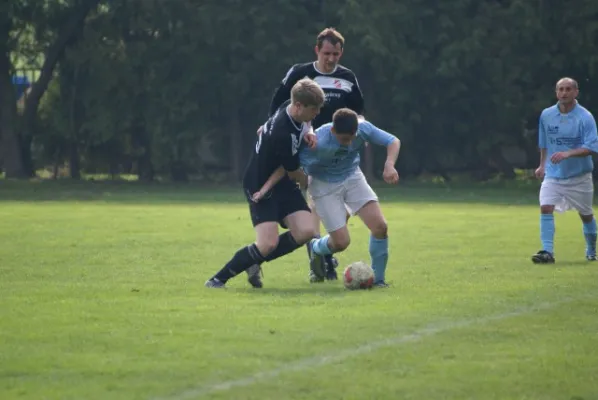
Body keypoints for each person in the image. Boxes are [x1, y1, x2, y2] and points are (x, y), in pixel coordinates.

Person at [247, 27, 365, 287]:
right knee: (314, 212)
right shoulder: (300, 73)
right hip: (306, 152)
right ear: (317, 50)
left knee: (340, 211)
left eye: (336, 53)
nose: (331, 58)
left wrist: (359, 136)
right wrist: (268, 127)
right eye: (326, 53)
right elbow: (279, 103)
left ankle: (320, 252)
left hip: (337, 156)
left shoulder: (347, 78)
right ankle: (319, 260)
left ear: (341, 52)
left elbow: (358, 115)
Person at [253, 108, 400, 287]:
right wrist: (267, 187)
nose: (349, 143)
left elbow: (393, 141)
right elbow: (288, 167)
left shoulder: (363, 128)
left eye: (352, 138)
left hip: (352, 177)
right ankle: (315, 248)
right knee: (341, 242)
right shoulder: (316, 143)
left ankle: (378, 281)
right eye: (344, 139)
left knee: (380, 227)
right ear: (332, 131)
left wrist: (389, 165)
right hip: (324, 186)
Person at [205, 78, 325, 288]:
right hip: (260, 185)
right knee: (268, 244)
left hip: (282, 182)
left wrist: (310, 132)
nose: (316, 113)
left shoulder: (287, 107)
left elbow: (306, 124)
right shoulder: (283, 133)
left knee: (306, 231)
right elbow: (292, 171)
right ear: (298, 106)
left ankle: (255, 260)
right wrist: (312, 182)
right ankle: (217, 279)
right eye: (314, 109)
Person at [532, 77, 598, 264]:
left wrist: (568, 154)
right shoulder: (547, 115)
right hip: (553, 174)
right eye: (560, 89)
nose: (564, 93)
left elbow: (592, 147)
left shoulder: (585, 117)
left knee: (586, 215)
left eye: (568, 89)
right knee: (545, 207)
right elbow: (544, 143)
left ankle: (592, 249)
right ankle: (547, 252)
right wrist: (542, 165)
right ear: (556, 92)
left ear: (576, 92)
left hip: (579, 176)